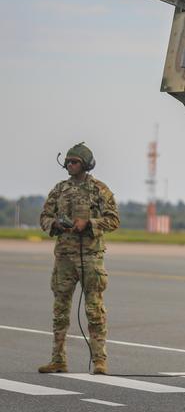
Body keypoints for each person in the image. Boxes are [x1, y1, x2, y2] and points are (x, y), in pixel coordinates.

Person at [38, 142, 119, 375]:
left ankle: (99, 361)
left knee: (94, 309)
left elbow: (113, 219)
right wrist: (54, 223)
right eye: (68, 162)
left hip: (90, 257)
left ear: (85, 165)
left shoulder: (99, 190)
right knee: (60, 309)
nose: (70, 165)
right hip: (64, 256)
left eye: (74, 162)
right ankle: (58, 359)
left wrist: (89, 224)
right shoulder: (59, 189)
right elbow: (44, 216)